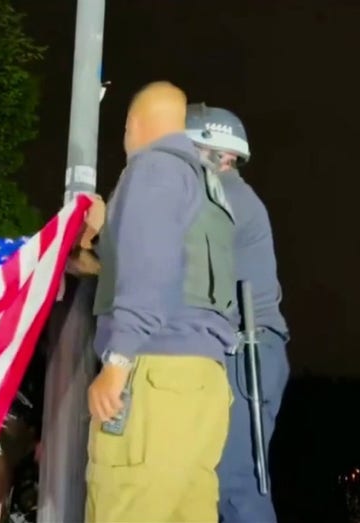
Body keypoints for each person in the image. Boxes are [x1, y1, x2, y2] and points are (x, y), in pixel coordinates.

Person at [84, 81, 238, 523]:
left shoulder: (153, 167)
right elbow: (176, 266)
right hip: (204, 387)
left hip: (154, 376)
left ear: (134, 125)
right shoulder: (208, 185)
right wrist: (109, 230)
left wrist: (117, 361)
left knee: (124, 503)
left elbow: (148, 269)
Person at [185, 103, 291, 523]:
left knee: (236, 484)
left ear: (214, 151)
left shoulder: (224, 198)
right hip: (240, 348)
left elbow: (166, 254)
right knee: (217, 482)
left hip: (246, 351)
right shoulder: (221, 196)